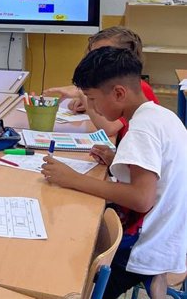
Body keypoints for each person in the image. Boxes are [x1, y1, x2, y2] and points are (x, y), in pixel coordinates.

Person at [41, 47, 187, 298]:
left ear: (119, 93)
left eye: (92, 99)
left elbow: (142, 198)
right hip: (169, 235)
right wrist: (117, 160)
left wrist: (73, 179)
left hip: (142, 247)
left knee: (66, 267)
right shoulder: (161, 115)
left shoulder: (140, 130)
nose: (92, 108)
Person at [44, 26, 159, 140]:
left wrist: (82, 93)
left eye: (102, 55)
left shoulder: (137, 88)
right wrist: (86, 101)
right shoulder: (113, 87)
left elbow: (108, 128)